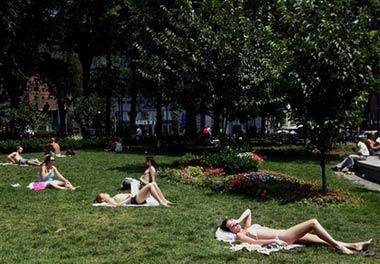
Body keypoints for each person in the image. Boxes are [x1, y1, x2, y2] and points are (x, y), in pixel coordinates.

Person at [220, 209, 372, 255]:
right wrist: (273, 241)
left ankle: (355, 245)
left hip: (285, 233)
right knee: (312, 222)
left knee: (318, 239)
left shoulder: (246, 227)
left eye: (234, 222)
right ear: (231, 231)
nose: (236, 225)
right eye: (232, 226)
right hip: (283, 236)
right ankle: (339, 247)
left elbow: (248, 211)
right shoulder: (241, 235)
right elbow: (254, 242)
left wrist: (238, 219)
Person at [94, 182, 171, 207]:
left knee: (153, 183)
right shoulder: (110, 200)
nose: (105, 193)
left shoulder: (113, 197)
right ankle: (161, 202)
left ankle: (164, 200)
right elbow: (117, 205)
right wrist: (129, 198)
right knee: (150, 185)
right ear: (103, 199)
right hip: (134, 200)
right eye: (103, 194)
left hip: (134, 197)